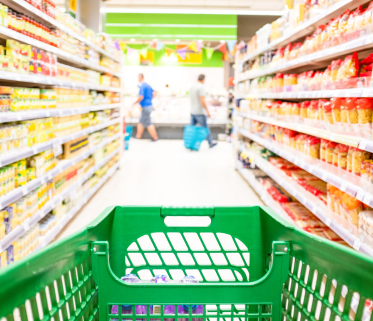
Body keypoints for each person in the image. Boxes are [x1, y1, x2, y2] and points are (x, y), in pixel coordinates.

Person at [189, 74, 217, 148]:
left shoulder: (192, 86)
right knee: (205, 128)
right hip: (200, 112)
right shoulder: (201, 87)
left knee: (191, 129)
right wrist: (207, 111)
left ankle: (189, 143)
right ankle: (210, 143)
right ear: (203, 79)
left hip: (192, 111)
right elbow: (202, 100)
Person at [132, 73, 158, 141]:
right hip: (148, 106)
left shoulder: (142, 86)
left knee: (148, 122)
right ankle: (138, 136)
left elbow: (141, 96)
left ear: (140, 78)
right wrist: (149, 99)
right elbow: (154, 93)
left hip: (146, 106)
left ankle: (155, 138)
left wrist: (134, 103)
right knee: (141, 121)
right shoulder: (148, 85)